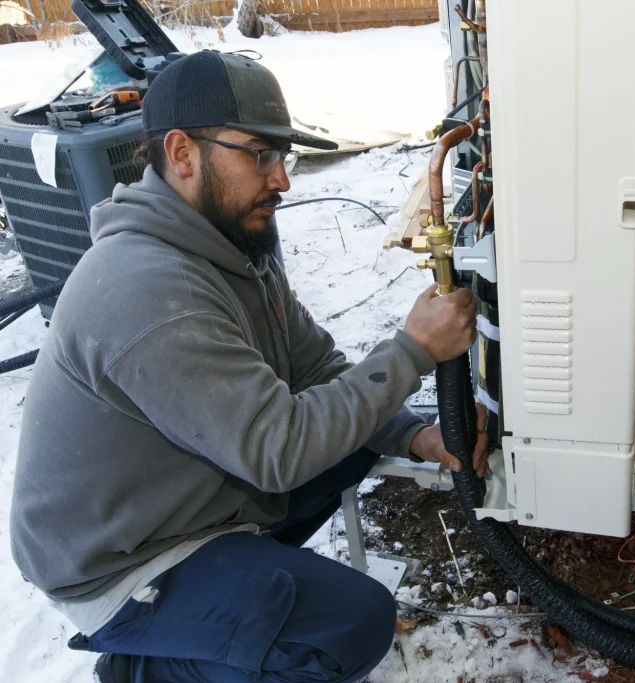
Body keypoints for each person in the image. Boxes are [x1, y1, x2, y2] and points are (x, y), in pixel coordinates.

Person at [9, 50, 489, 683]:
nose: (283, 179)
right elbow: (276, 452)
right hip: (123, 563)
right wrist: (412, 351)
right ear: (181, 154)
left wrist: (415, 435)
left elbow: (319, 369)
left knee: (352, 440)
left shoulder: (229, 250)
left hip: (184, 502)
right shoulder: (146, 287)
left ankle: (227, 606)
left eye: (282, 156)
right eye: (260, 155)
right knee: (349, 624)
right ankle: (141, 668)